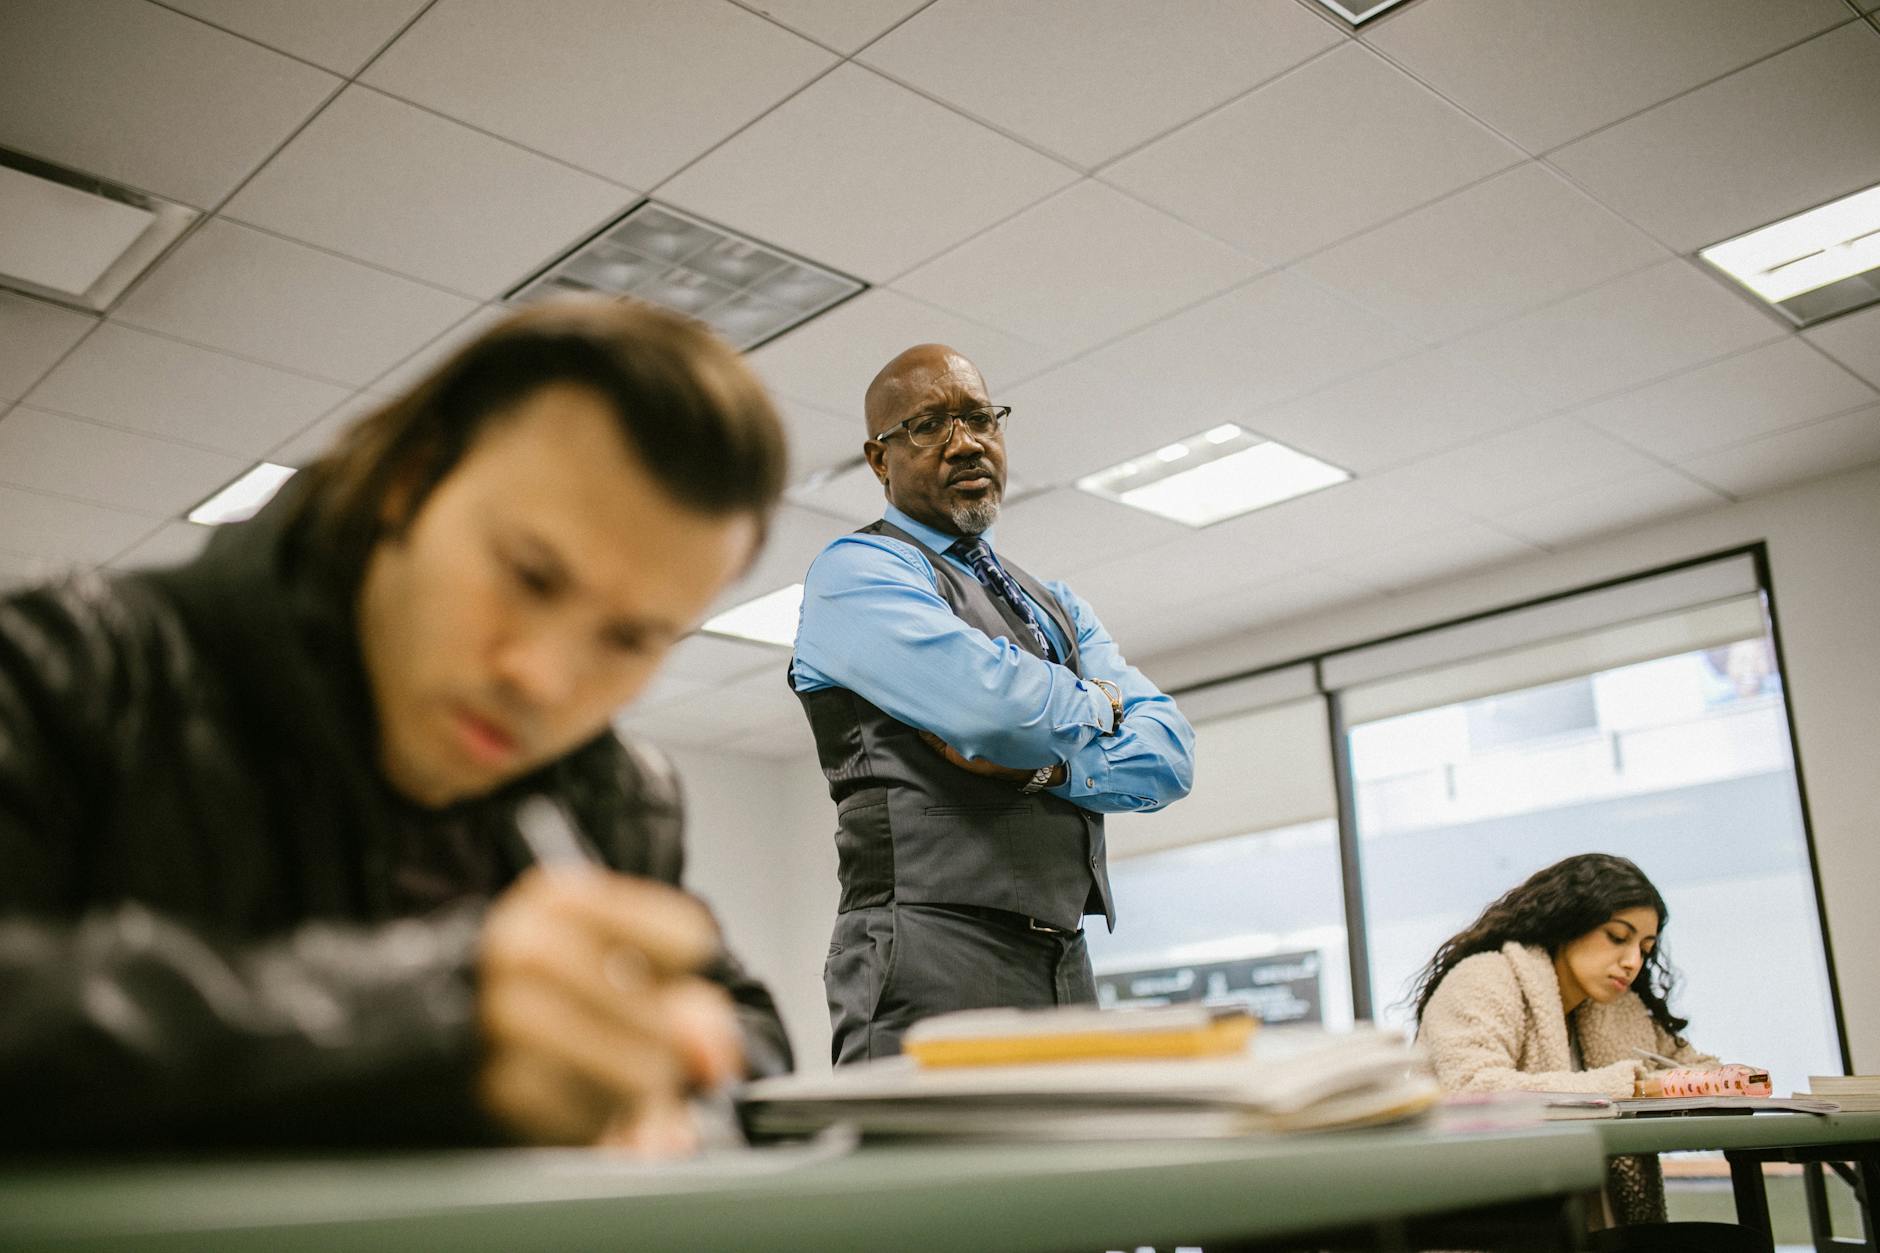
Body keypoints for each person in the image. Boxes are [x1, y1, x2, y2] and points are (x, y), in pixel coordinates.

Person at [0, 299, 794, 1151]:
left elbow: (744, 1032)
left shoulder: (615, 798)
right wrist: (427, 1025)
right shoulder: (65, 667)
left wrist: (669, 1059)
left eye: (630, 638)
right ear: (408, 481)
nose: (545, 681)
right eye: (530, 574)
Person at [790, 343, 1195, 1065]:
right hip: (927, 950)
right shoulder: (858, 572)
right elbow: (999, 715)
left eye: (981, 418)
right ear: (878, 459)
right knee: (934, 1180)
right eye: (928, 426)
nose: (966, 442)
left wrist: (1050, 769)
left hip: (1063, 958)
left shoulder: (1056, 603)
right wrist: (1104, 703)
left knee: (1076, 1178)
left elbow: (1169, 754)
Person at [1411, 853, 1767, 1247]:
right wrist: (1637, 1086)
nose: (1632, 962)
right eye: (1617, 937)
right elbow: (1475, 1089)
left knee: (1738, 1242)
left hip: (1585, 1225)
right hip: (1490, 1224)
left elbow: (1689, 1066)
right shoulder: (1484, 978)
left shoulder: (1617, 1007)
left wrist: (1723, 1078)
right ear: (1567, 922)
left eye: (1645, 949)